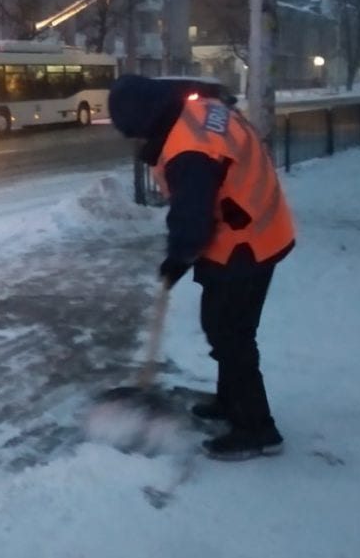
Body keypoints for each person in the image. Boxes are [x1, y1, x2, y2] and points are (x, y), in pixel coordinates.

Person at [108, 74, 296, 461]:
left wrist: (177, 259)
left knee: (231, 334)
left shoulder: (187, 150)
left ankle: (257, 429)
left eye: (135, 133)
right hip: (253, 228)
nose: (139, 142)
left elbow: (193, 220)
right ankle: (232, 403)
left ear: (145, 119)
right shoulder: (199, 109)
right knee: (223, 326)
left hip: (246, 241)